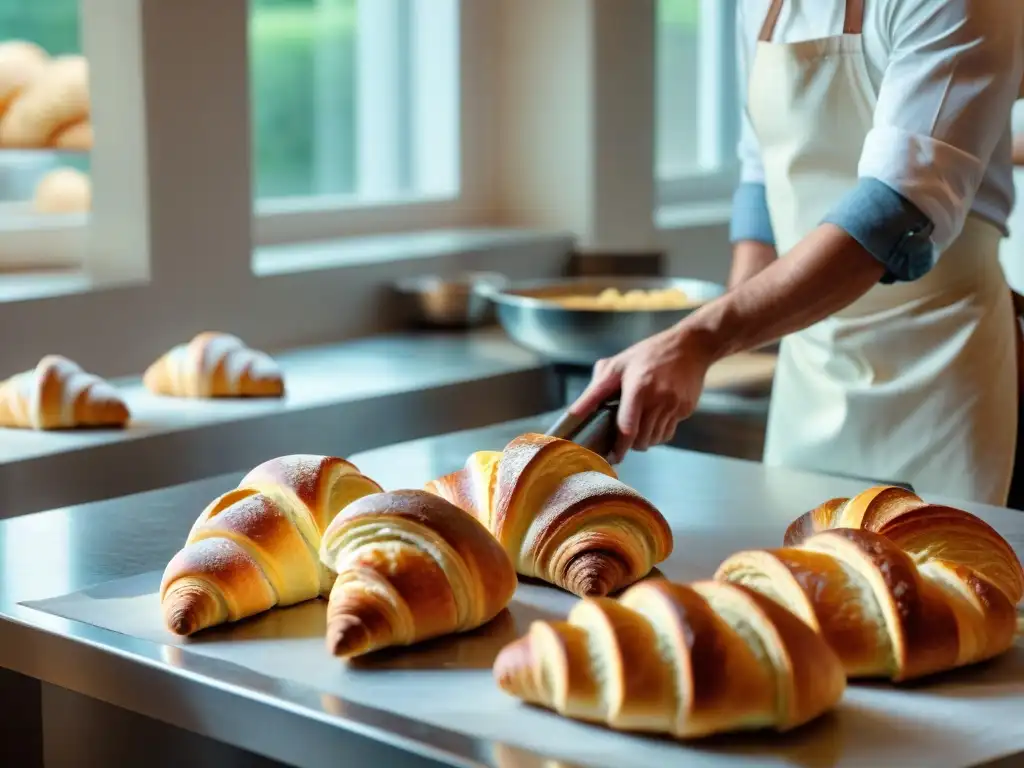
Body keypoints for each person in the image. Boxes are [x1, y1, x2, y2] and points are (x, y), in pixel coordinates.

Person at [571, 0, 1024, 505]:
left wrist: (700, 340)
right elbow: (762, 170)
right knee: (797, 568)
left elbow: (895, 212)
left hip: (939, 369)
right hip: (809, 371)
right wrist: (723, 335)